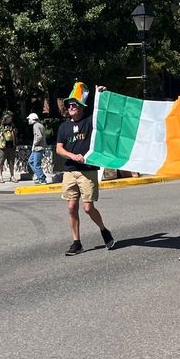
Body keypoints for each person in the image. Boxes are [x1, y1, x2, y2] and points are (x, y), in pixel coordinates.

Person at [55, 82, 115, 256]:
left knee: (88, 208)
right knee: (71, 207)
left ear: (81, 107)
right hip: (70, 171)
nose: (71, 107)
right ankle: (76, 242)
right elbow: (59, 148)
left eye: (74, 104)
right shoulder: (64, 127)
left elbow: (101, 115)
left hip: (87, 171)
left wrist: (100, 95)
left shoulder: (90, 123)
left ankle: (104, 230)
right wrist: (72, 156)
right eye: (69, 105)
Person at [0, 111, 17, 183]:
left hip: (11, 145)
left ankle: (12, 176)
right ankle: (0, 176)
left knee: (11, 162)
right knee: (0, 162)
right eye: (9, 117)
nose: (11, 119)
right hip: (2, 146)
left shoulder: (12, 125)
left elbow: (14, 135)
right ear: (5, 117)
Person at [27, 113, 47, 184]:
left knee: (36, 164)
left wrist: (34, 144)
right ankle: (40, 176)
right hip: (38, 148)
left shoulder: (36, 125)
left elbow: (39, 136)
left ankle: (42, 178)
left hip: (38, 148)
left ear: (32, 119)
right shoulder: (40, 125)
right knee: (31, 161)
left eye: (29, 119)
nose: (28, 120)